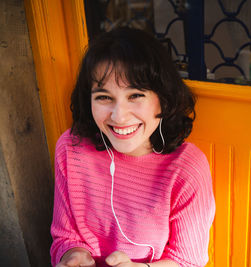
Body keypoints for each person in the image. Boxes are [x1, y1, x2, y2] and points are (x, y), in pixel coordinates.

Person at [50, 27, 215, 267]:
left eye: (135, 95)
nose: (119, 117)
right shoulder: (71, 148)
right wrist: (73, 255)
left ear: (163, 97)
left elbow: (187, 261)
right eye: (104, 97)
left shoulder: (187, 169)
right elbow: (65, 237)